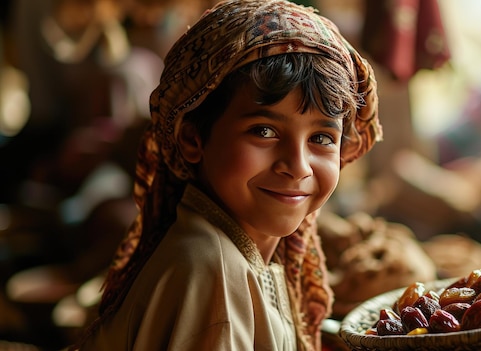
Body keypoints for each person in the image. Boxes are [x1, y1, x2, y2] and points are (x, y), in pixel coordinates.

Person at [72, 0, 382, 350]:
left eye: (322, 138)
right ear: (192, 139)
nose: (298, 166)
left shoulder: (234, 253)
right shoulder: (212, 273)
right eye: (264, 131)